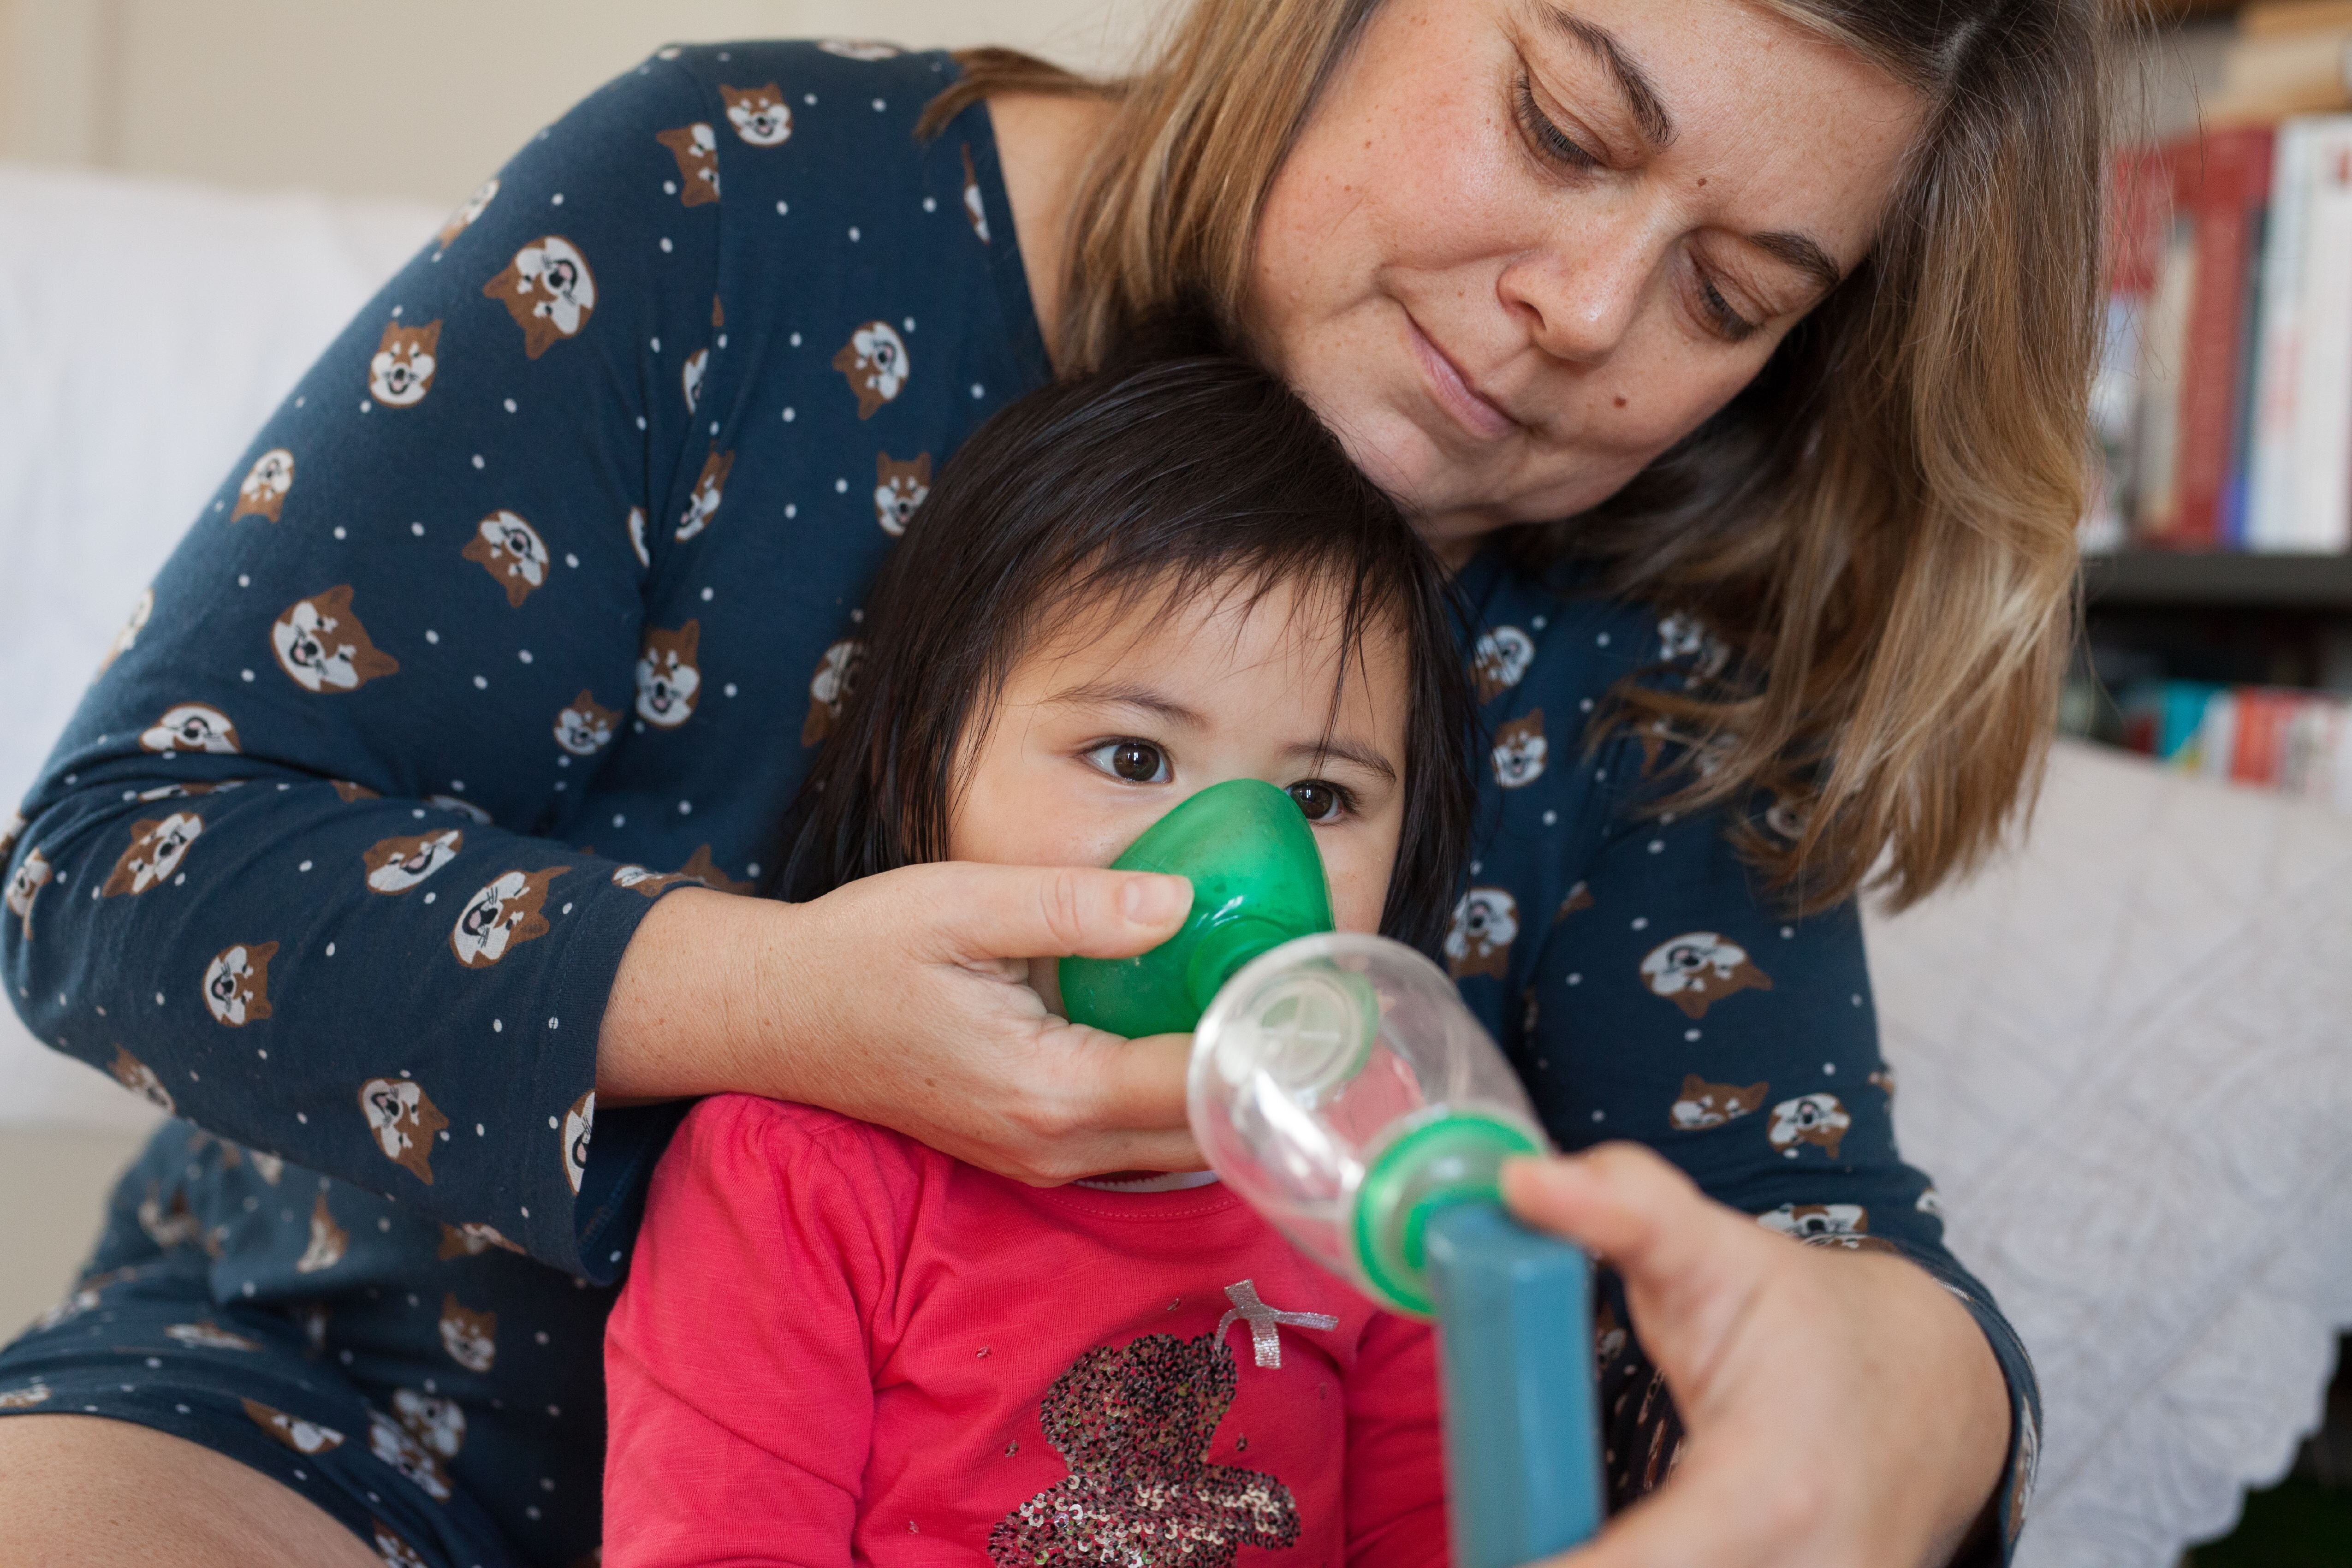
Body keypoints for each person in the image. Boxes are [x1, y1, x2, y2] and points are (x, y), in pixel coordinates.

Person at [0, 2, 2098, 1565]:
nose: (1582, 314)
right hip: (341, 1425)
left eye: (1730, 297)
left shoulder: (1663, 588)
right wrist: (780, 1009)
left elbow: (1788, 1240)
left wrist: (1900, 1416)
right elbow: (118, 865)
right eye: (1556, 124)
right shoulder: (740, 207)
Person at [604, 350, 1472, 1566]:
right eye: (1131, 759)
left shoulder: (1381, 1168)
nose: (1239, 864)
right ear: (921, 775)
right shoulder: (793, 1174)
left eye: (1319, 796)